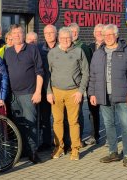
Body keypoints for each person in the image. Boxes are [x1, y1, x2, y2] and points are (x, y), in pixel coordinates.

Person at [88, 24, 127, 167]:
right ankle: (113, 152)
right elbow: (93, 75)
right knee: (109, 125)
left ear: (116, 35)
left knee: (126, 125)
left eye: (111, 35)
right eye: (105, 35)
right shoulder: (98, 53)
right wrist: (92, 93)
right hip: (103, 96)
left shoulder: (126, 51)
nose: (108, 37)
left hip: (122, 95)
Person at [47, 27, 89, 160]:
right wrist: (49, 92)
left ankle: (75, 149)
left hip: (73, 92)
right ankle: (59, 147)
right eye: (63, 38)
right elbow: (48, 74)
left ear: (72, 38)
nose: (65, 40)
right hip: (56, 92)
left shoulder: (78, 51)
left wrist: (80, 91)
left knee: (73, 122)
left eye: (68, 38)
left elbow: (86, 73)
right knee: (57, 121)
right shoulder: (52, 53)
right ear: (59, 38)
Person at [4, 24, 44, 164]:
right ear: (11, 35)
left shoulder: (32, 49)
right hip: (13, 95)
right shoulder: (8, 52)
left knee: (31, 123)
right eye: (14, 33)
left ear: (23, 34)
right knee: (18, 124)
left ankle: (33, 152)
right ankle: (21, 151)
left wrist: (38, 91)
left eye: (19, 32)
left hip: (29, 93)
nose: (17, 35)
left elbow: (40, 72)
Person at [68, 23, 92, 146]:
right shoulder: (65, 46)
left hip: (78, 86)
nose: (73, 34)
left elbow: (86, 68)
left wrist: (82, 87)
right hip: (66, 86)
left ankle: (78, 138)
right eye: (71, 31)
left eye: (75, 32)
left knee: (78, 113)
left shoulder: (83, 47)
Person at [37, 24, 57, 152]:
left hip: (58, 87)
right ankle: (46, 142)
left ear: (56, 33)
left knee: (59, 117)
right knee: (45, 117)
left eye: (51, 32)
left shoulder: (61, 47)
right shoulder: (39, 49)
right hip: (44, 88)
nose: (49, 35)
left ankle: (60, 141)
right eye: (46, 33)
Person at [84, 24, 104, 146]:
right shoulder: (89, 47)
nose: (99, 33)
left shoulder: (109, 46)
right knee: (93, 112)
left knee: (108, 112)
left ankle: (111, 137)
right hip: (92, 83)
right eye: (97, 31)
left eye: (101, 31)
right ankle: (94, 135)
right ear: (94, 33)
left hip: (105, 84)